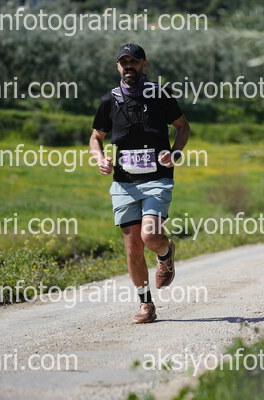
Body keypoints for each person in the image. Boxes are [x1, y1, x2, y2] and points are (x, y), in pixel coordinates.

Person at [89, 43, 190, 324]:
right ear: (117, 67)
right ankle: (146, 304)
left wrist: (175, 153)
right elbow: (96, 137)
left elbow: (183, 127)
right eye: (123, 62)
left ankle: (165, 253)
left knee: (150, 237)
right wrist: (100, 158)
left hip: (157, 178)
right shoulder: (109, 101)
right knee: (133, 248)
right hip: (124, 183)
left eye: (133, 61)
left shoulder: (160, 95)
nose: (128, 67)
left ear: (144, 64)